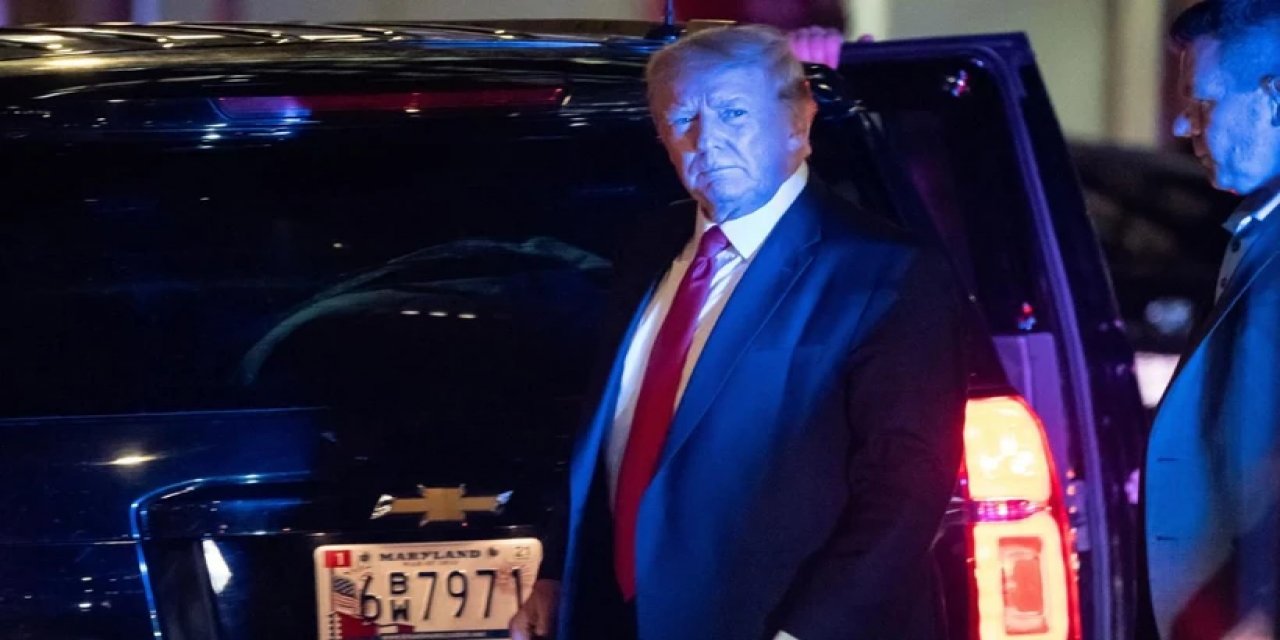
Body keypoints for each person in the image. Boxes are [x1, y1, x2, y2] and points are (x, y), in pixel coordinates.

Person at [510, 24, 968, 640]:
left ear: (797, 123)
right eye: (683, 119)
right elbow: (610, 430)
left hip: (775, 623)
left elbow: (907, 489)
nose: (707, 140)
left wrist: (808, 632)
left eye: (733, 113)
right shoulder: (649, 247)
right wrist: (557, 573)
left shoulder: (885, 272)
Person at [1144, 1, 1280, 638]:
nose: (1181, 124)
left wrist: (1263, 613)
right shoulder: (1259, 228)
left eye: (1203, 103)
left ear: (1274, 100)